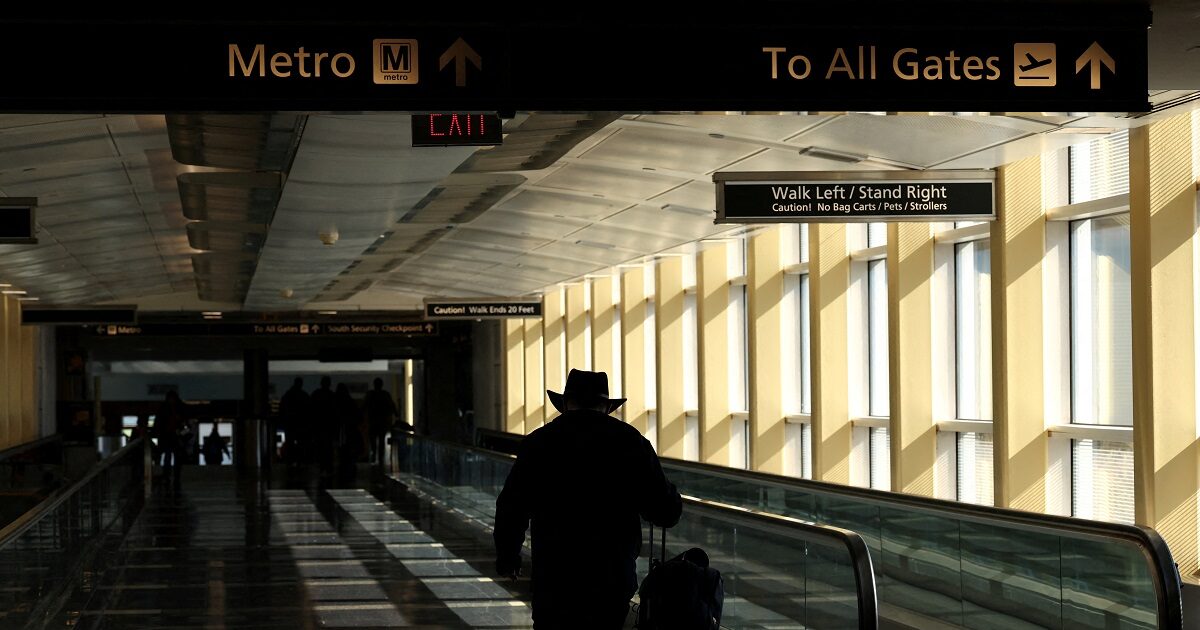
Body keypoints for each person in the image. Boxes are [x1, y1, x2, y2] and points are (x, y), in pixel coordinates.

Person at [494, 369, 682, 629]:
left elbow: (512, 506)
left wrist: (508, 557)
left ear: (566, 404)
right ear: (606, 406)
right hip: (611, 578)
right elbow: (666, 511)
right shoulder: (631, 442)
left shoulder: (539, 442)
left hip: (554, 578)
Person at [153, 391, 187, 490]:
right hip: (169, 436)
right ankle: (168, 476)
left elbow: (183, 423)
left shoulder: (169, 409)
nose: (171, 401)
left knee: (174, 457)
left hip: (172, 436)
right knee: (170, 457)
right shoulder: (171, 409)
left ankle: (172, 476)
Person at [363, 377, 397, 465]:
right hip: (382, 421)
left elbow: (364, 406)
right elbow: (392, 405)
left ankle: (375, 455)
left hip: (373, 421)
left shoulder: (370, 394)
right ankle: (380, 457)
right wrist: (396, 414)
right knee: (381, 440)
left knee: (373, 440)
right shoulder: (385, 394)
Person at [279, 378, 311, 464]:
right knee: (301, 443)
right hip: (301, 424)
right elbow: (308, 411)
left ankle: (290, 460)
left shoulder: (288, 395)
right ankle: (300, 460)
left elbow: (282, 409)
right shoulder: (304, 395)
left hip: (290, 423)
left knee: (290, 442)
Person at [309, 376, 337, 475]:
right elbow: (335, 412)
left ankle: (322, 466)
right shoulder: (332, 396)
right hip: (329, 426)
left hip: (319, 426)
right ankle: (328, 466)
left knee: (320, 447)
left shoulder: (316, 395)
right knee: (328, 447)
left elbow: (311, 411)